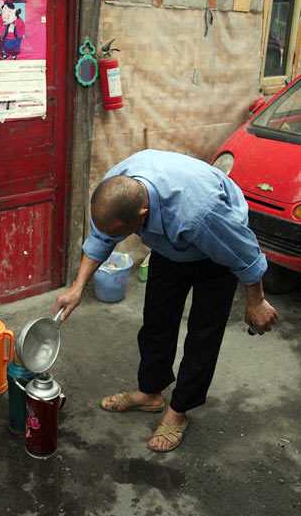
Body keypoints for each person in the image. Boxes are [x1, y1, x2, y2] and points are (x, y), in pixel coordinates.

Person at [55, 150, 278, 453]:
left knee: (203, 334)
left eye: (124, 232)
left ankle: (178, 412)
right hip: (171, 249)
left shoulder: (198, 213)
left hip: (216, 254)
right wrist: (78, 287)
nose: (115, 237)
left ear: (142, 215)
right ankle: (150, 393)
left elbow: (245, 253)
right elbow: (102, 237)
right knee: (156, 323)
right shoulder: (115, 189)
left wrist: (256, 301)